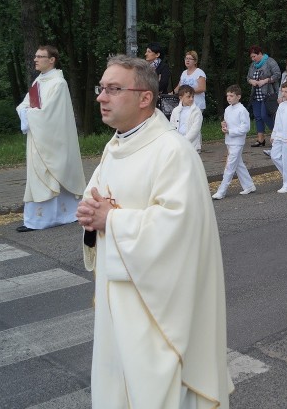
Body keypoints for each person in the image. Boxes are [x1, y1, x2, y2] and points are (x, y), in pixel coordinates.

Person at [76, 54, 231, 408]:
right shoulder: (116, 146)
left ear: (145, 97)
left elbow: (178, 228)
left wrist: (110, 221)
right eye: (101, 88)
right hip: (119, 300)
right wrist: (89, 215)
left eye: (113, 89)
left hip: (160, 310)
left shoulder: (172, 151)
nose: (101, 97)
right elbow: (97, 199)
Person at [16, 45, 86, 232]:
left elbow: (50, 114)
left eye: (40, 56)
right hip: (38, 137)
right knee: (40, 175)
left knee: (55, 174)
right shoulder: (38, 81)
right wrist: (26, 111)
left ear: (52, 60)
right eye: (36, 56)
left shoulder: (58, 84)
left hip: (54, 139)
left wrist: (30, 114)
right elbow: (25, 104)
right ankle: (38, 219)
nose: (35, 59)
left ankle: (61, 215)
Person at [212, 85, 256, 200]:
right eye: (228, 96)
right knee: (238, 164)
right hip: (229, 140)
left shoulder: (242, 110)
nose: (229, 98)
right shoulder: (228, 109)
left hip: (237, 141)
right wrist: (224, 125)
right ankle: (249, 185)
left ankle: (221, 191)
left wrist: (230, 131)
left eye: (231, 96)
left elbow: (245, 128)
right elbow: (226, 122)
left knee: (230, 166)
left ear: (238, 97)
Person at [247, 45, 281, 148]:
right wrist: (251, 81)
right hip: (256, 95)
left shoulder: (270, 61)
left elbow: (277, 74)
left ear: (260, 54)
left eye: (254, 56)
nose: (253, 59)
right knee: (257, 117)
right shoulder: (253, 65)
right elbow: (248, 77)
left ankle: (278, 135)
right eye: (251, 57)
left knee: (264, 115)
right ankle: (260, 139)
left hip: (268, 95)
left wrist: (266, 81)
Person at [169, 84, 203, 152]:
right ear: (181, 98)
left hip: (192, 144)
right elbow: (171, 126)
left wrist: (184, 140)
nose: (191, 99)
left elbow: (195, 129)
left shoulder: (196, 111)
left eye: (193, 97)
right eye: (188, 97)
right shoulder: (175, 111)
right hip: (178, 143)